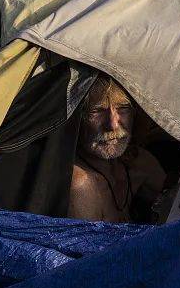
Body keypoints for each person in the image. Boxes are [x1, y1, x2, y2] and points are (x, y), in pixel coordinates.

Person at [68, 74, 166, 222]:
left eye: (123, 108)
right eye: (97, 111)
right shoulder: (81, 185)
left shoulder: (138, 162)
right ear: (78, 119)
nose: (112, 124)